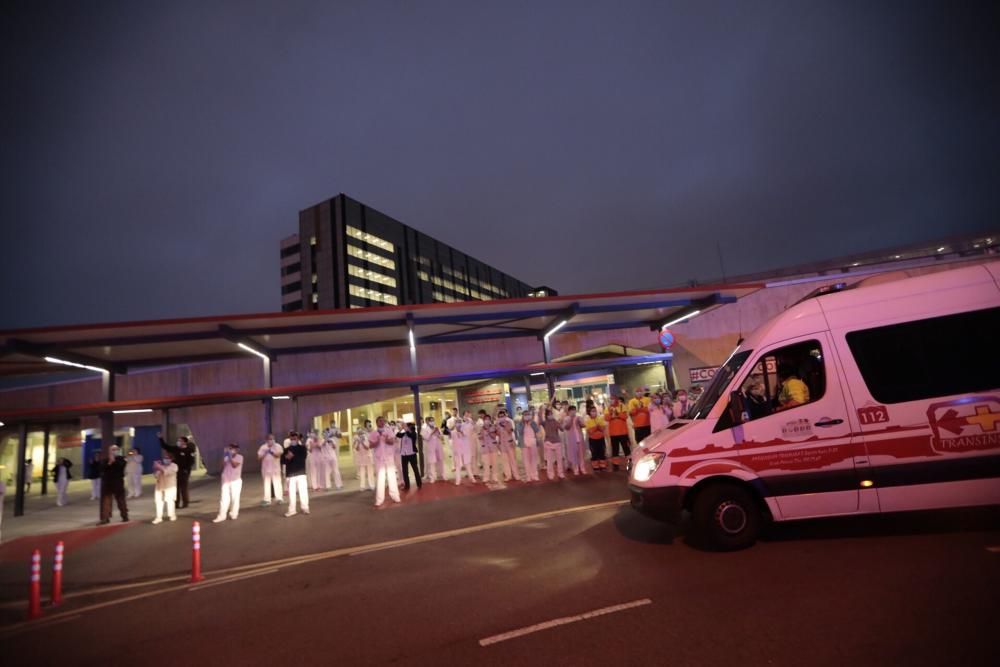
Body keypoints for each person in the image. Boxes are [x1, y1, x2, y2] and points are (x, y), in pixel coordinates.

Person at [370, 417, 401, 506]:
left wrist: (386, 439)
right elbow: (371, 445)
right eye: (380, 421)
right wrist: (377, 440)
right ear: (376, 422)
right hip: (379, 458)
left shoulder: (389, 431)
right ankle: (379, 500)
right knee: (380, 479)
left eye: (383, 421)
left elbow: (392, 442)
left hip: (389, 457)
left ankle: (395, 496)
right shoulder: (373, 433)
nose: (382, 422)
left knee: (392, 477)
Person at [158, 434, 195, 509]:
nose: (178, 442)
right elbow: (166, 447)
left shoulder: (189, 450)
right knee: (176, 487)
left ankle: (185, 503)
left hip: (184, 471)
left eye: (180, 441)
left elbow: (191, 462)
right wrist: (160, 438)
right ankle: (176, 503)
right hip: (175, 471)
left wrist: (186, 470)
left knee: (183, 487)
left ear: (184, 442)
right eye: (178, 440)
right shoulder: (176, 449)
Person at [213, 443, 244, 522]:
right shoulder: (226, 457)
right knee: (224, 498)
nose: (231, 450)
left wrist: (230, 457)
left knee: (235, 498)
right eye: (230, 449)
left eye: (233, 449)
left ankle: (234, 513)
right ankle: (221, 516)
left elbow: (234, 465)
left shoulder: (240, 457)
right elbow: (222, 466)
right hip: (226, 480)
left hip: (235, 481)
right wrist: (225, 456)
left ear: (237, 450)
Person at [98, 445, 128, 524]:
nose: (115, 451)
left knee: (120, 500)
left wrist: (114, 461)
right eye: (113, 449)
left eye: (116, 449)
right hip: (107, 483)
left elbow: (121, 466)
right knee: (106, 501)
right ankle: (105, 518)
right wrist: (109, 463)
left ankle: (125, 515)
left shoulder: (121, 459)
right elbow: (102, 468)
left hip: (117, 482)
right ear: (109, 451)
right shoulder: (105, 460)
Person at [282, 434, 309, 517]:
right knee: (292, 493)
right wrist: (287, 457)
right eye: (292, 439)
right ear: (290, 439)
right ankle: (292, 510)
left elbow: (304, 457)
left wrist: (293, 455)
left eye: (295, 438)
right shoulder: (286, 449)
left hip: (301, 473)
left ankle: (305, 508)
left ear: (298, 439)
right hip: (291, 474)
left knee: (303, 491)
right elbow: (283, 461)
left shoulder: (302, 448)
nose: (293, 440)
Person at [605, 396, 631, 471]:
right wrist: (611, 414)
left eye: (613, 399)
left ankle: (629, 463)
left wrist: (617, 414)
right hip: (613, 433)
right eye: (610, 399)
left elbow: (625, 416)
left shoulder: (622, 406)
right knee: (615, 450)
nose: (612, 401)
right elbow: (606, 418)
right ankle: (615, 465)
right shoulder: (608, 408)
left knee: (626, 449)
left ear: (616, 399)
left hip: (623, 432)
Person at [450, 411, 477, 485]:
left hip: (465, 450)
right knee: (458, 466)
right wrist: (454, 450)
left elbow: (471, 429)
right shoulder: (453, 432)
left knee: (467, 464)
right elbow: (453, 442)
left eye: (459, 422)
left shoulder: (465, 429)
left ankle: (472, 478)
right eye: (456, 423)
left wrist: (461, 431)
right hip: (457, 451)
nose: (458, 424)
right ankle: (458, 480)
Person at [258, 434, 284, 506]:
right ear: (266, 440)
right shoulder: (263, 447)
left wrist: (271, 451)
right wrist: (265, 452)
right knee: (266, 484)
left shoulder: (278, 446)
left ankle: (279, 498)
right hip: (266, 469)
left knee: (277, 483)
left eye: (272, 439)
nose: (271, 440)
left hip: (275, 469)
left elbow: (278, 455)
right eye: (269, 439)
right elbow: (259, 457)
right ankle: (267, 500)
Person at [151, 453, 178, 524]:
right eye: (164, 458)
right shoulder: (161, 466)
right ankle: (158, 517)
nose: (165, 459)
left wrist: (159, 466)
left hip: (169, 487)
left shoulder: (174, 466)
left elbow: (167, 471)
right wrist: (155, 468)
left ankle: (172, 515)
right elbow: (156, 475)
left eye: (167, 458)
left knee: (170, 501)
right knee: (158, 502)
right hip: (159, 486)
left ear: (171, 459)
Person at [516, 409, 542, 482]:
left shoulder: (533, 422)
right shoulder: (519, 424)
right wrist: (524, 423)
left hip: (533, 443)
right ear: (523, 416)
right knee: (526, 460)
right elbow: (520, 432)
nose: (527, 416)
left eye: (528, 415)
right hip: (524, 444)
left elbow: (537, 430)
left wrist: (531, 423)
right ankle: (528, 476)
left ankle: (535, 475)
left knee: (534, 460)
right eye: (525, 415)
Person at [495, 409, 520, 482]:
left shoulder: (509, 421)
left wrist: (503, 425)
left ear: (505, 415)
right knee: (505, 461)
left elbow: (510, 431)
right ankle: (508, 475)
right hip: (502, 443)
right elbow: (497, 434)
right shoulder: (497, 423)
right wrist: (497, 426)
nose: (501, 417)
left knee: (512, 459)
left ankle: (516, 475)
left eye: (503, 416)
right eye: (500, 416)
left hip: (509, 442)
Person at [561, 405, 587, 476]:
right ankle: (576, 469)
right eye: (572, 410)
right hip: (572, 439)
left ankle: (582, 468)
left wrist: (580, 422)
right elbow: (566, 427)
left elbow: (584, 425)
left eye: (574, 410)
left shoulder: (579, 417)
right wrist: (571, 420)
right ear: (569, 411)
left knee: (581, 454)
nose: (573, 412)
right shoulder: (566, 418)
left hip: (579, 438)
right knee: (574, 454)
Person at [541, 408, 565, 480]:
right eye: (549, 414)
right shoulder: (544, 422)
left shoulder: (555, 421)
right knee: (549, 460)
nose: (550, 415)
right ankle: (550, 474)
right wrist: (540, 411)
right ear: (546, 415)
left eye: (551, 414)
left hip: (557, 442)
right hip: (548, 442)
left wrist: (561, 423)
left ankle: (560, 473)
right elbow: (539, 421)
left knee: (559, 459)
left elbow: (562, 429)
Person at [396, 422, 422, 491]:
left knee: (415, 469)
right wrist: (401, 429)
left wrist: (406, 430)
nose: (405, 427)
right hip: (404, 455)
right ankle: (407, 486)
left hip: (412, 454)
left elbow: (410, 435)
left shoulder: (413, 433)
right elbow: (398, 435)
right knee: (405, 471)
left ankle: (419, 484)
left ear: (409, 427)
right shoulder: (404, 433)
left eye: (406, 426)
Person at [421, 416, 446, 483]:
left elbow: (441, 437)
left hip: (438, 446)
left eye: (433, 420)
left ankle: (441, 475)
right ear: (427, 422)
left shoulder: (436, 427)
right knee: (432, 462)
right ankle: (432, 477)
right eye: (431, 421)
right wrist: (432, 432)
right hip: (430, 447)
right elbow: (426, 438)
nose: (432, 422)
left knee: (440, 461)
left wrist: (439, 434)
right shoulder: (424, 429)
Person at [477, 414, 501, 484]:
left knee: (494, 463)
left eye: (488, 419)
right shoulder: (481, 428)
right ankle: (486, 477)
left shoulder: (493, 427)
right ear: (484, 420)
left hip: (493, 447)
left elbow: (494, 436)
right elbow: (479, 437)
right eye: (485, 419)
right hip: (485, 448)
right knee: (486, 464)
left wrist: (489, 431)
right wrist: (481, 435)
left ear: (490, 420)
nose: (487, 421)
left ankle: (494, 476)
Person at [584, 407, 608, 472]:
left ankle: (603, 466)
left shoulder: (600, 419)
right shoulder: (588, 421)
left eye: (595, 411)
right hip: (593, 440)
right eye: (592, 411)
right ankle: (595, 467)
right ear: (590, 413)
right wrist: (596, 427)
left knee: (602, 452)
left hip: (601, 439)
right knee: (594, 453)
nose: (594, 412)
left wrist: (597, 427)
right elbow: (590, 431)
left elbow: (603, 429)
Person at [354, 423, 375, 491]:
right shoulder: (357, 440)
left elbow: (367, 447)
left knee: (370, 472)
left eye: (361, 433)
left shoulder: (367, 438)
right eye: (359, 433)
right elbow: (356, 449)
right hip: (361, 458)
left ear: (363, 433)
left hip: (368, 457)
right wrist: (358, 442)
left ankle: (371, 485)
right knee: (362, 473)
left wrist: (362, 442)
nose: (360, 435)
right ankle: (362, 486)